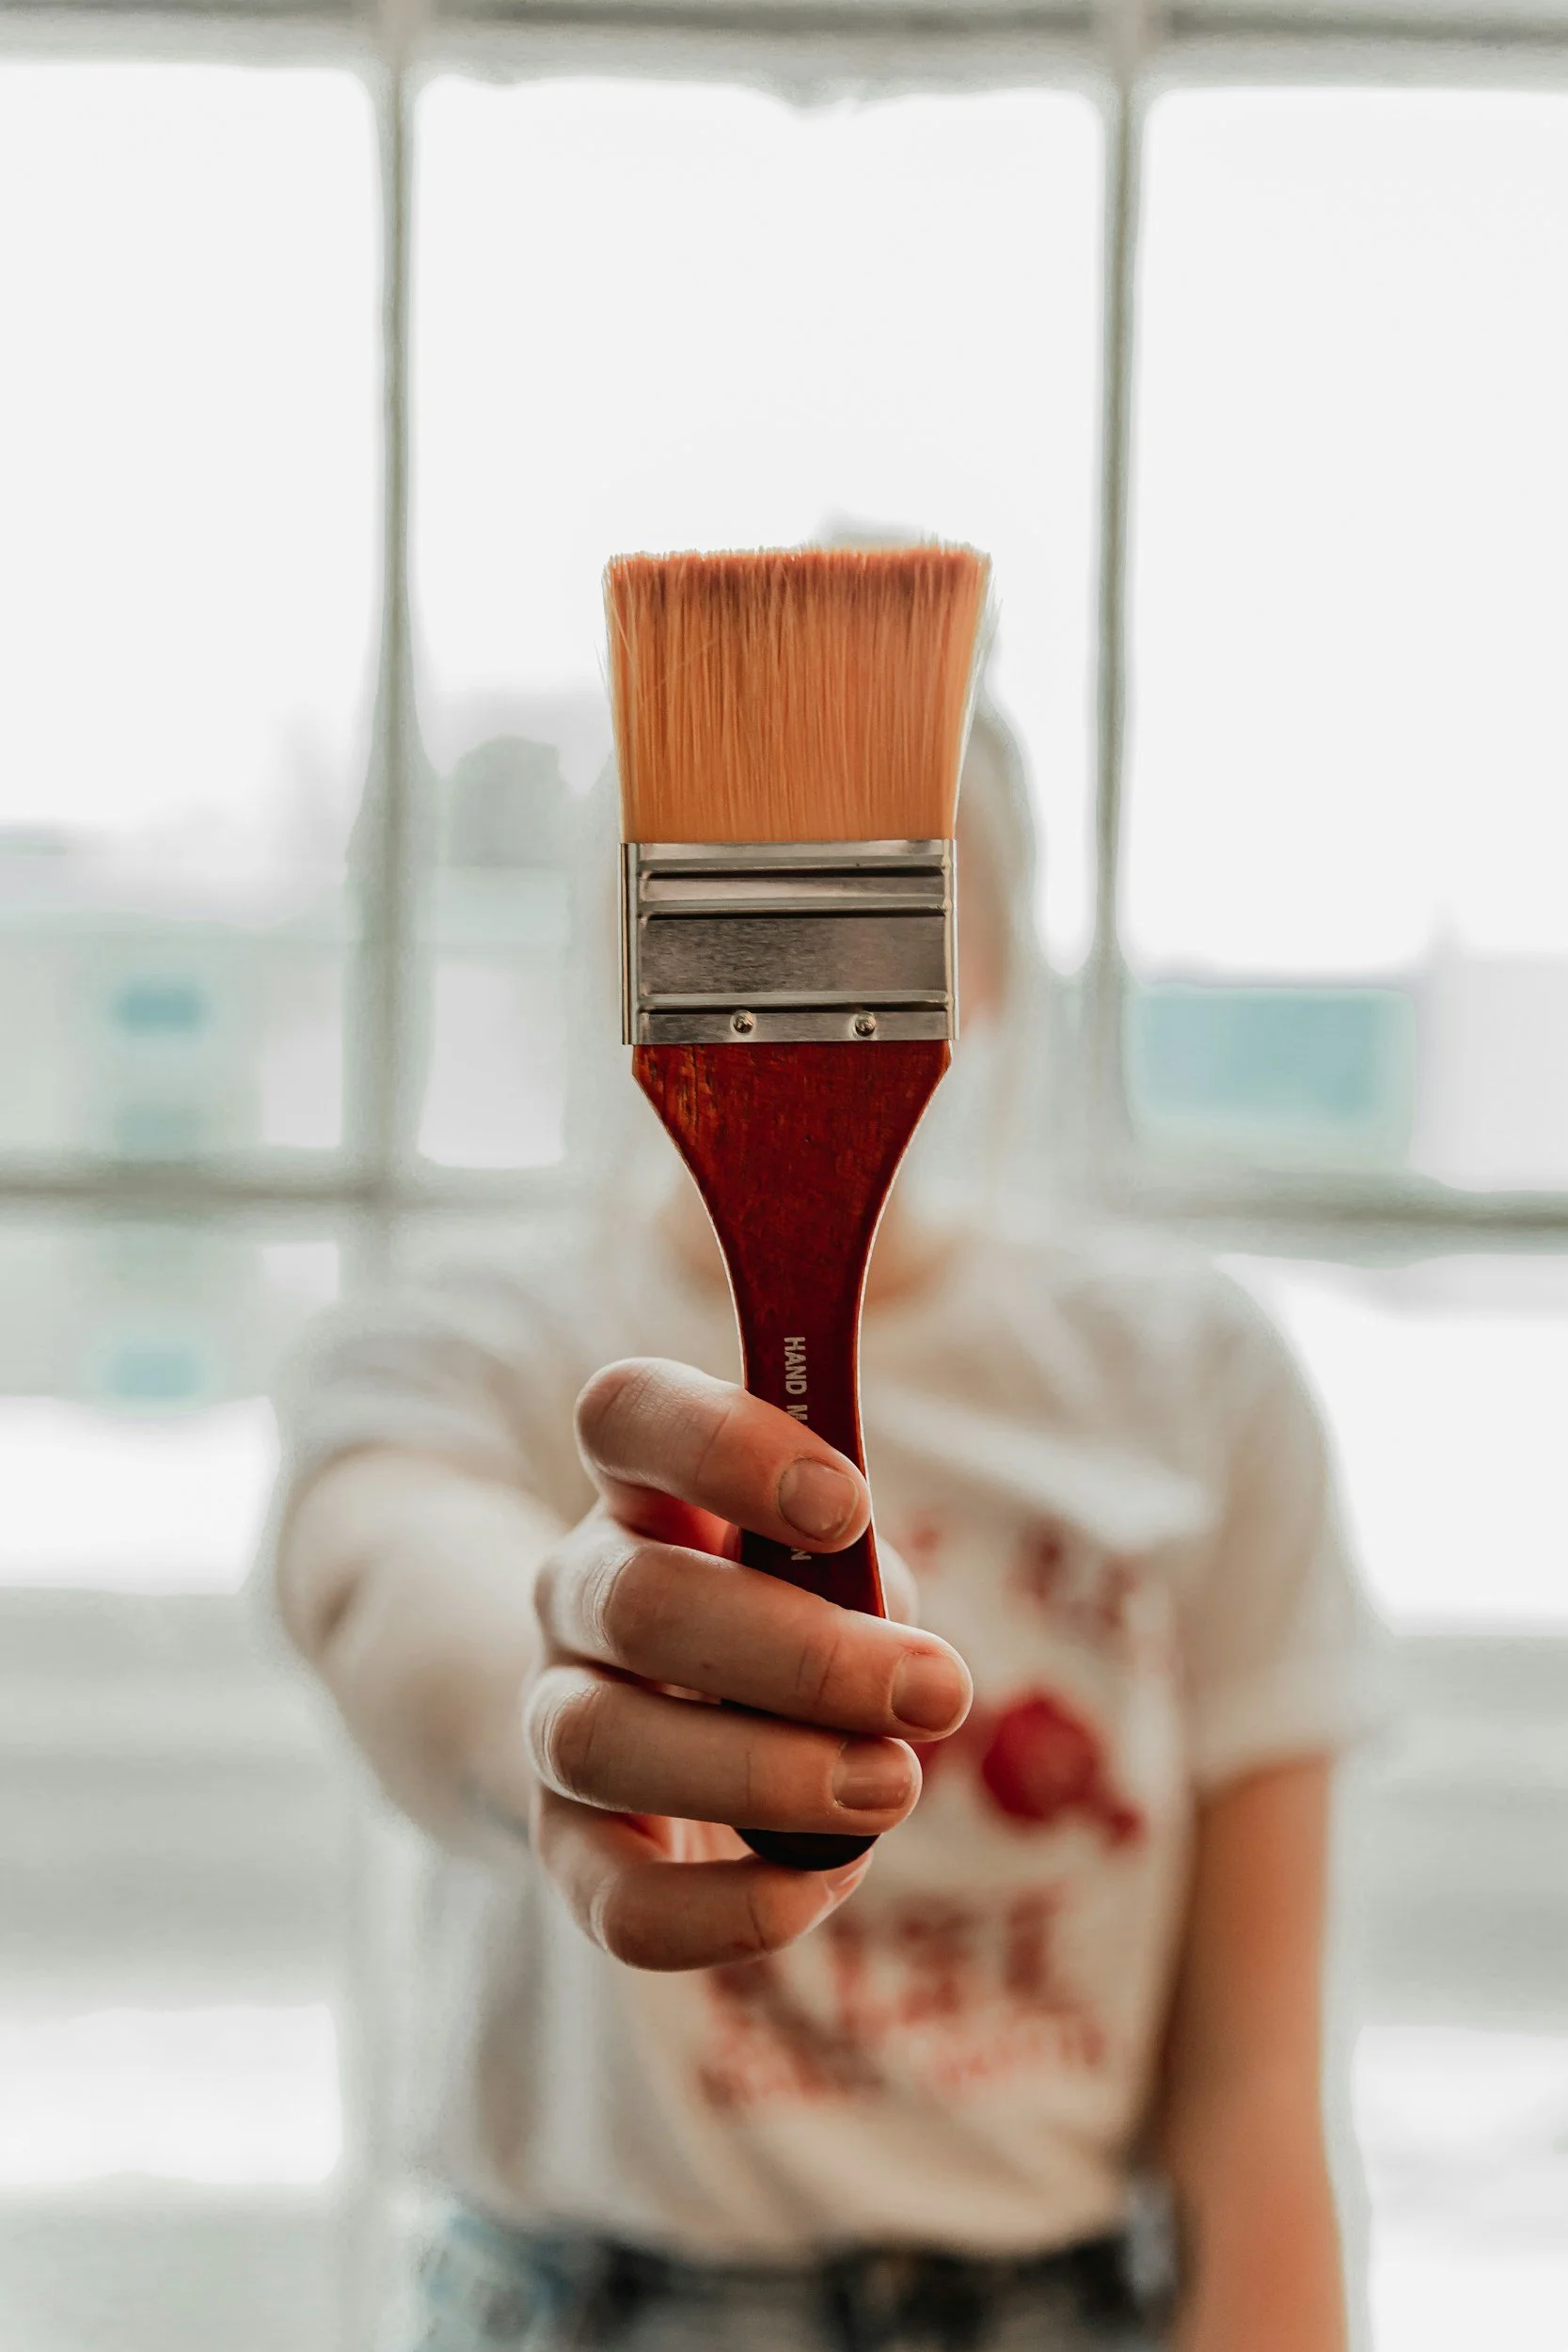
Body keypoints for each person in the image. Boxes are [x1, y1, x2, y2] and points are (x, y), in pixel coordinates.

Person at [268, 692, 1370, 2352]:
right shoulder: (461, 1346)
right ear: (628, 964)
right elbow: (382, 1582)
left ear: (980, 958)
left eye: (868, 899)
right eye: (718, 905)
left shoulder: (1192, 1384)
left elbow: (1255, 2093)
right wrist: (563, 1699)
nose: (784, 963)